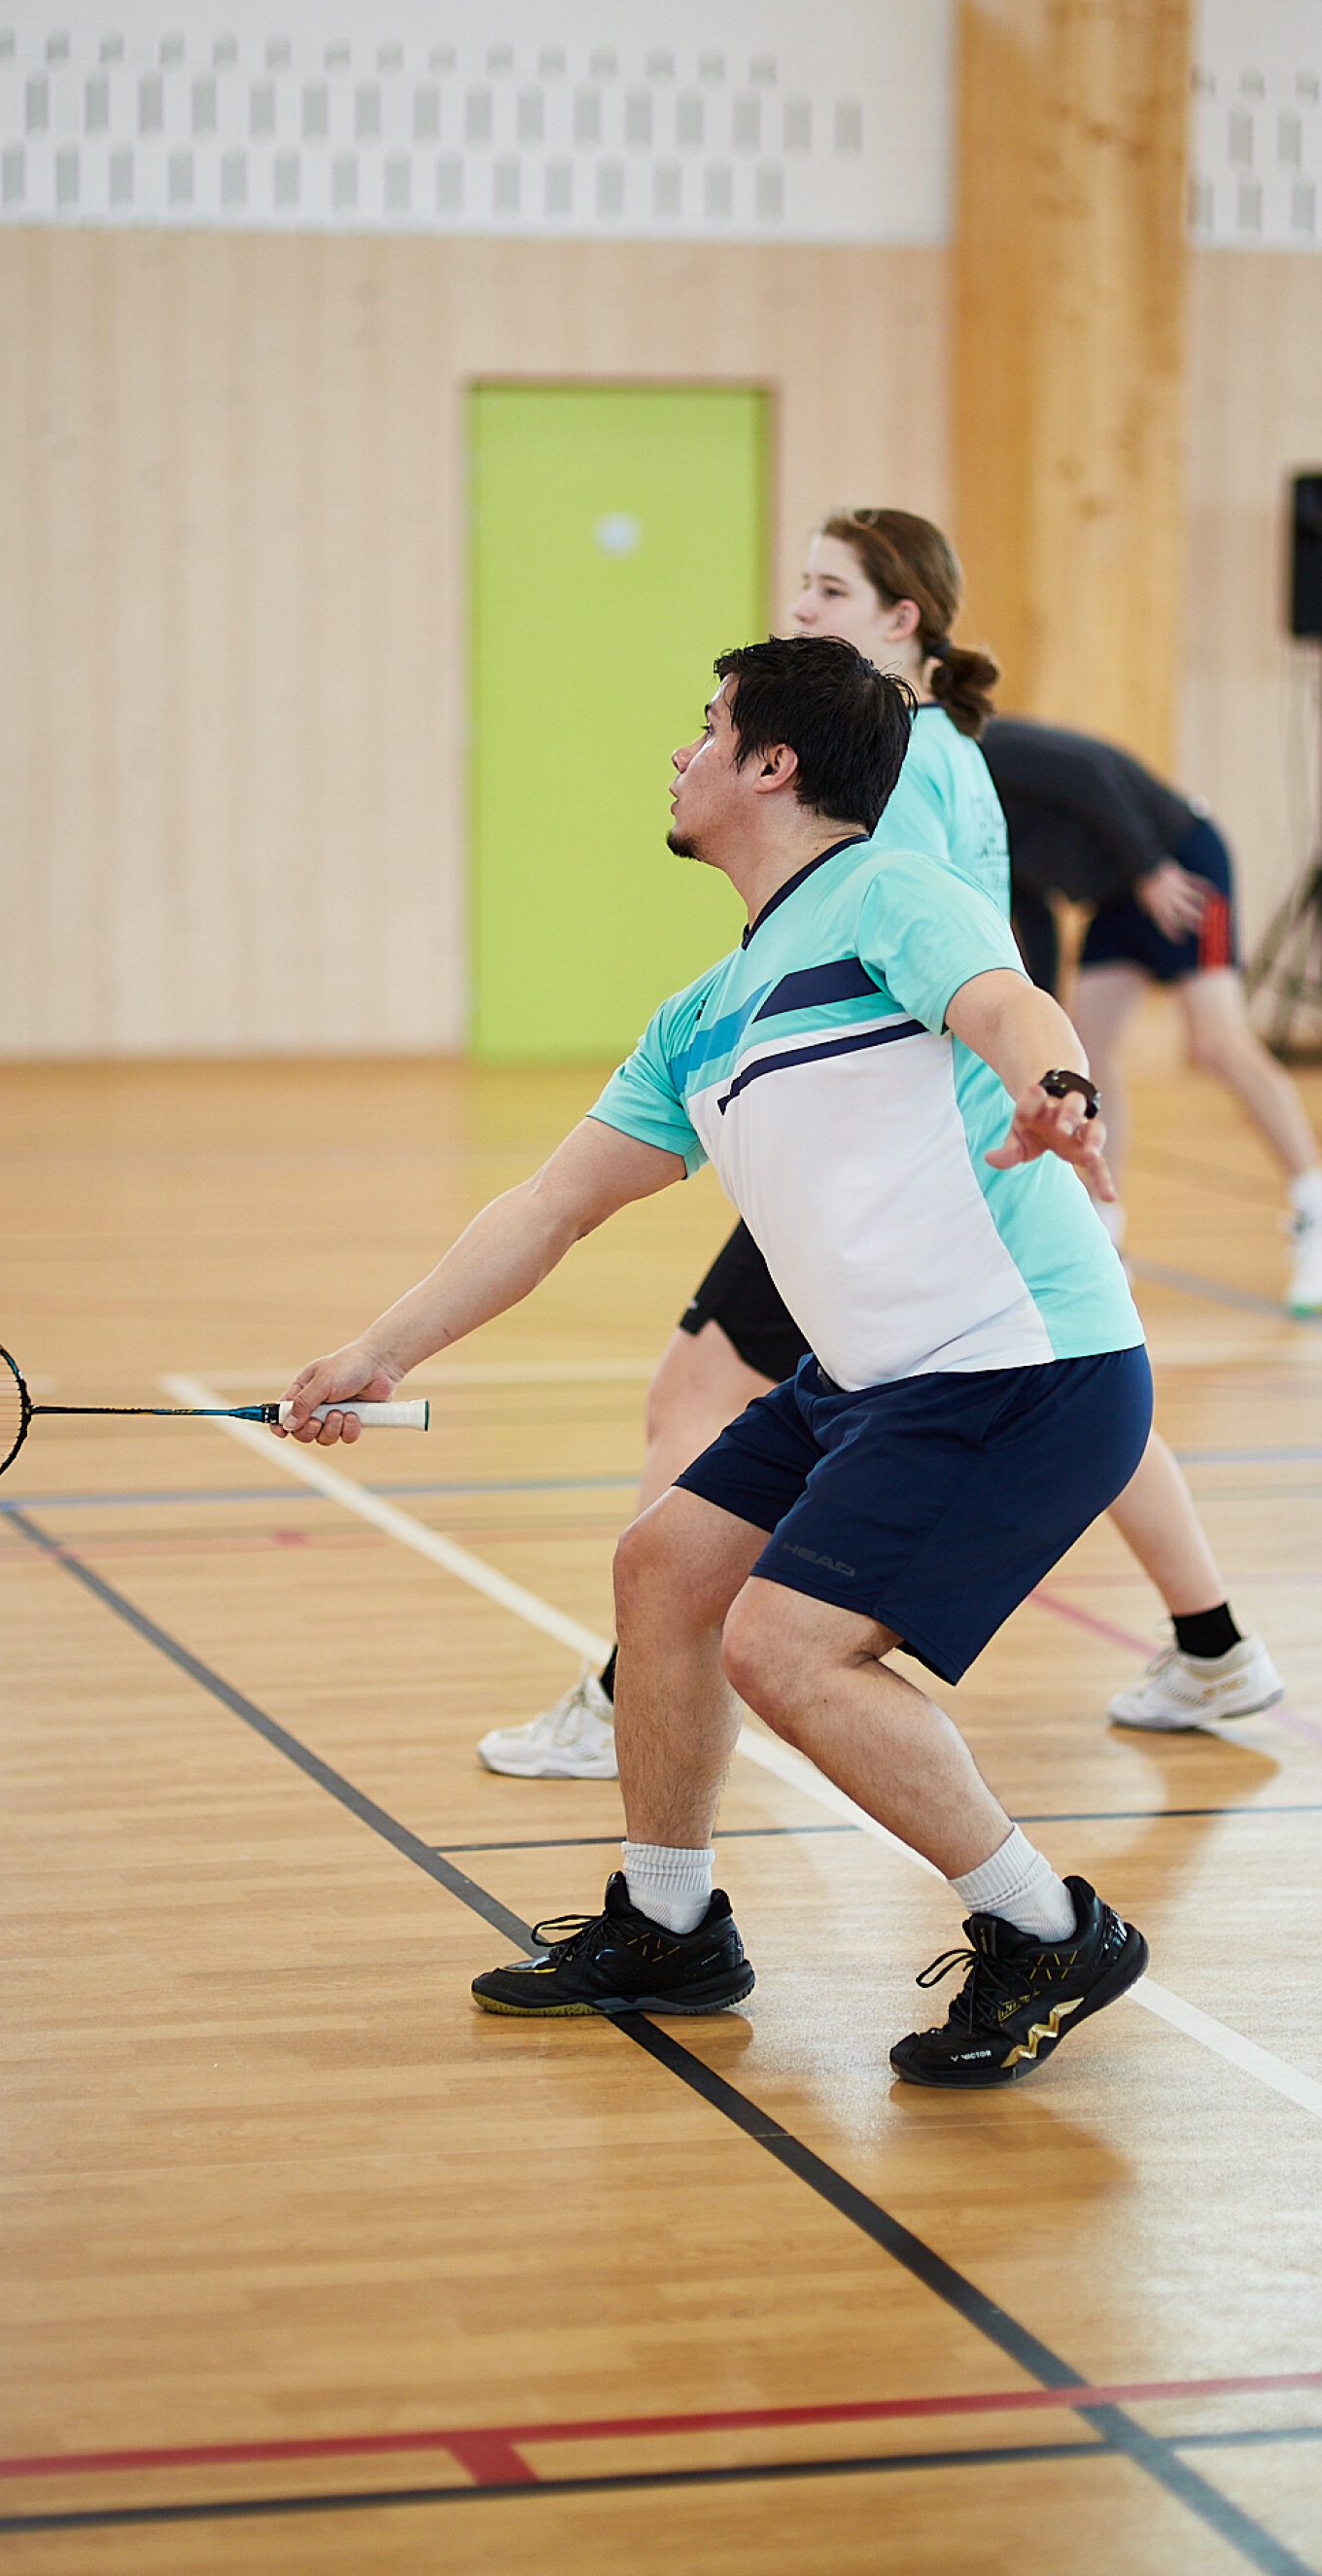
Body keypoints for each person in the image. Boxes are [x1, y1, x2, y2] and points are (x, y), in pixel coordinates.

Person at [287, 636, 1153, 2084]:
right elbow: (550, 1208)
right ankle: (672, 1925)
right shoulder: (707, 1013)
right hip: (866, 1380)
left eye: (706, 727)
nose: (679, 754)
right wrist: (377, 1350)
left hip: (1017, 1368)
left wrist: (1053, 1086)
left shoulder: (891, 895)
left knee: (785, 1648)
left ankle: (1045, 1927)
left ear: (773, 765)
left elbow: (1006, 1004)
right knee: (666, 1570)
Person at [479, 511, 1281, 1779]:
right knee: (1074, 1374)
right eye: (801, 585)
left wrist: (1041, 1080)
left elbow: (955, 973)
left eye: (831, 589)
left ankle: (639, 1683)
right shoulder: (943, 743)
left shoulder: (891, 776)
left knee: (702, 1396)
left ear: (904, 618)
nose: (802, 606)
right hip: (926, 1146)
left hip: (912, 1155)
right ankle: (1215, 1639)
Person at [980, 716, 1322, 1316]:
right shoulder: (962, 819)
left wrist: (1148, 869)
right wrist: (1042, 1005)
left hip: (1176, 862)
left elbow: (1092, 772)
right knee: (1085, 1055)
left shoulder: (989, 747)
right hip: (1116, 897)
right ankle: (1105, 1237)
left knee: (1217, 1044)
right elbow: (1029, 902)